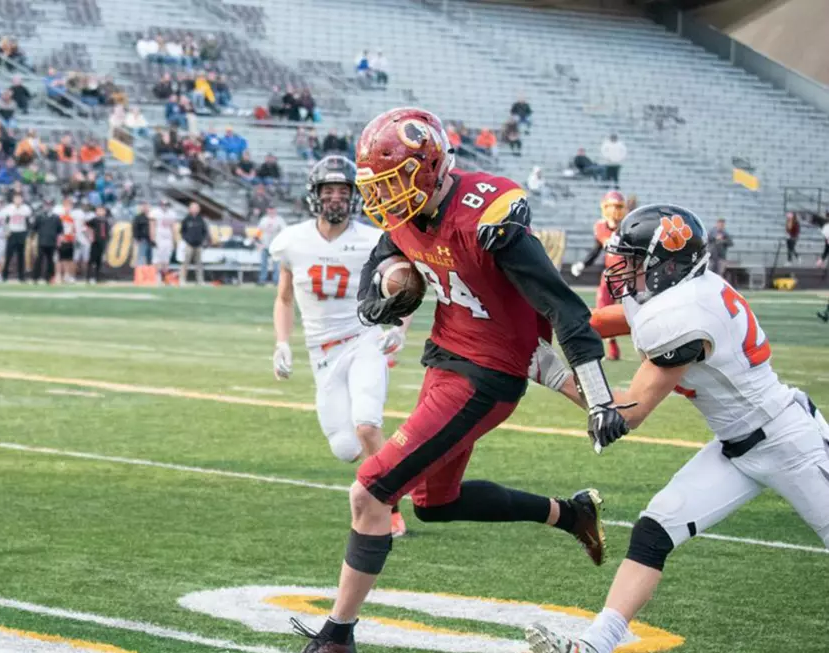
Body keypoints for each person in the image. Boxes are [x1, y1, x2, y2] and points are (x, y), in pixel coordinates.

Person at [291, 107, 627, 653]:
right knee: (434, 502)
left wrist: (596, 393)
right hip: (447, 359)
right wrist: (386, 290)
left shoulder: (485, 214)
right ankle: (572, 514)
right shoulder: (403, 211)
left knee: (370, 491)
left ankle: (337, 636)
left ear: (426, 169)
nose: (380, 200)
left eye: (390, 183)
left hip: (488, 377)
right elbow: (375, 278)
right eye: (375, 187)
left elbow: (564, 308)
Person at [524, 204, 829, 653]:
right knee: (655, 528)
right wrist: (564, 321)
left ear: (668, 264)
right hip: (736, 447)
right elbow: (619, 319)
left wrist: (554, 374)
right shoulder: (681, 292)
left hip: (790, 443)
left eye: (632, 260)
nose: (621, 270)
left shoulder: (684, 315)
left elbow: (622, 415)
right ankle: (597, 643)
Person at [270, 156, 410, 539]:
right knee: (345, 447)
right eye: (328, 191)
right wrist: (282, 343)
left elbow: (407, 284)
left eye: (342, 191)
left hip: (363, 339)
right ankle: (392, 468)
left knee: (367, 424)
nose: (335, 198)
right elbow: (283, 299)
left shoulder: (372, 240)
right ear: (314, 196)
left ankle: (391, 509)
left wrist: (400, 327)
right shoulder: (292, 241)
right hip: (322, 352)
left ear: (354, 196)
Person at [570, 191, 628, 360]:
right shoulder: (601, 227)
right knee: (602, 314)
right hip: (610, 274)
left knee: (635, 313)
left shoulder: (629, 226)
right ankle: (612, 349)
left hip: (629, 274)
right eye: (611, 207)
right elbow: (597, 249)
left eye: (618, 207)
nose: (614, 211)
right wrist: (583, 263)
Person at [1, 192, 32, 282]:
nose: (18, 200)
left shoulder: (26, 209)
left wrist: (27, 233)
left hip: (21, 232)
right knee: (8, 255)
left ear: (22, 199)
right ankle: (4, 275)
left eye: (19, 198)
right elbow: (5, 221)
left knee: (21, 255)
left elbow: (28, 222)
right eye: (16, 198)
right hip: (12, 233)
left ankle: (21, 276)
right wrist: (6, 231)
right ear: (13, 199)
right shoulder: (9, 208)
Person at [32, 201, 62, 284]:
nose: (47, 207)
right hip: (41, 242)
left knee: (50, 261)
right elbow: (34, 229)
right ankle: (35, 277)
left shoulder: (56, 217)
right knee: (39, 260)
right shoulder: (39, 217)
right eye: (46, 205)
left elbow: (60, 231)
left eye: (49, 205)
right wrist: (33, 240)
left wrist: (59, 241)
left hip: (52, 243)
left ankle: (49, 278)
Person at [150, 198, 178, 283]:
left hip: (168, 238)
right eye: (163, 205)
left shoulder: (172, 213)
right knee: (157, 258)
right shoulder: (155, 212)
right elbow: (152, 226)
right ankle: (156, 275)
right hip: (159, 237)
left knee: (166, 258)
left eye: (166, 205)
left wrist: (174, 240)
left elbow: (173, 227)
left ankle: (165, 276)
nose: (164, 207)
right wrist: (152, 238)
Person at [179, 202, 207, 286]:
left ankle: (200, 280)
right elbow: (182, 231)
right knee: (185, 263)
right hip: (189, 245)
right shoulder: (186, 219)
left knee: (199, 264)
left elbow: (204, 231)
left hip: (198, 245)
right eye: (193, 208)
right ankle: (182, 280)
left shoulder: (201, 219)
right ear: (190, 209)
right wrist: (187, 240)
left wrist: (202, 240)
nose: (195, 209)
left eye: (196, 208)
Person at [257, 206, 284, 286]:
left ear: (275, 210)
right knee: (263, 264)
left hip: (275, 245)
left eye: (273, 210)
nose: (271, 212)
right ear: (267, 210)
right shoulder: (264, 219)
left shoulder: (279, 220)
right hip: (265, 245)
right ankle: (262, 280)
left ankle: (276, 280)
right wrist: (259, 242)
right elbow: (259, 231)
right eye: (270, 210)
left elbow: (284, 231)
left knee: (276, 264)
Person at [85, 204, 111, 284]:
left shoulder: (106, 220)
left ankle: (97, 277)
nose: (100, 212)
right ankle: (89, 277)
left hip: (103, 241)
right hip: (95, 241)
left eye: (102, 210)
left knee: (99, 260)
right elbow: (87, 226)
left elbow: (107, 231)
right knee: (92, 260)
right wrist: (90, 236)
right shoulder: (94, 220)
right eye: (99, 210)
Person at [57, 200, 77, 284]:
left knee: (69, 259)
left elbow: (73, 230)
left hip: (70, 240)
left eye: (69, 206)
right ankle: (58, 275)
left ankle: (67, 275)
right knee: (60, 259)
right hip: (62, 241)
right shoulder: (60, 218)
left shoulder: (72, 219)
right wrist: (59, 239)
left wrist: (73, 238)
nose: (67, 208)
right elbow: (57, 230)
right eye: (66, 206)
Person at [132, 202, 152, 267]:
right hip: (142, 239)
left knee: (151, 257)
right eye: (144, 207)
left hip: (152, 240)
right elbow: (135, 228)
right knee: (141, 256)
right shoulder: (138, 217)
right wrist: (137, 238)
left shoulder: (152, 216)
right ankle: (140, 273)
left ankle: (149, 273)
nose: (145, 208)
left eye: (146, 207)